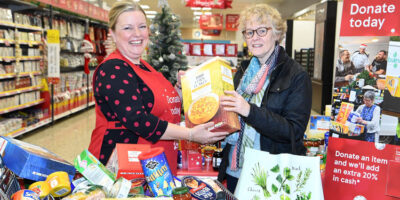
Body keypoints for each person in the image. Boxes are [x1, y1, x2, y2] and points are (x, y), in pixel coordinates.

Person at [88, 1, 228, 174]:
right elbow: (138, 120)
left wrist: (180, 88)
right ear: (113, 34)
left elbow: (163, 106)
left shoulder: (145, 67)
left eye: (142, 26)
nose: (137, 34)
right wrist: (190, 135)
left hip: (154, 162)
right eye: (127, 28)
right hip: (123, 165)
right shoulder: (114, 69)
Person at [217, 4, 312, 193]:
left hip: (271, 175)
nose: (255, 37)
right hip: (235, 171)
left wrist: (249, 111)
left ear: (277, 34)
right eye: (249, 32)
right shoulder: (243, 71)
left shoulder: (296, 75)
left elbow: (293, 131)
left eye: (262, 30)